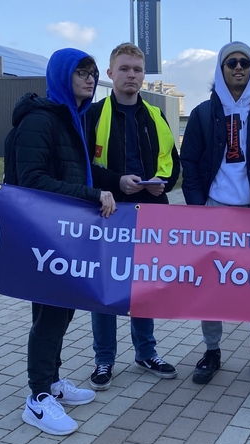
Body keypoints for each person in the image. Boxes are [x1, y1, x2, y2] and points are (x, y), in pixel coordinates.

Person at [12, 48, 116, 435]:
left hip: (67, 233)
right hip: (46, 234)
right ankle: (37, 398)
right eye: (81, 73)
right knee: (49, 314)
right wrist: (90, 196)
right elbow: (32, 179)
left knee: (64, 309)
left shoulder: (73, 118)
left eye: (92, 73)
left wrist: (114, 182)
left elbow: (81, 171)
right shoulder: (41, 121)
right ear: (61, 76)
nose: (90, 79)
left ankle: (52, 382)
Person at [180, 41, 250, 385]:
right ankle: (212, 351)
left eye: (244, 62)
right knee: (211, 285)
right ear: (221, 68)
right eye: (231, 63)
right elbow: (191, 163)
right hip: (214, 211)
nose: (238, 67)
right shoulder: (202, 113)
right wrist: (198, 208)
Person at [86, 43, 180, 390]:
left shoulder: (156, 116)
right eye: (124, 69)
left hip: (150, 213)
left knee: (144, 286)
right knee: (106, 290)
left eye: (137, 70)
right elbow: (83, 168)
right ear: (110, 74)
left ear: (144, 75)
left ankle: (145, 352)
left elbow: (173, 162)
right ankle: (104, 359)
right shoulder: (93, 115)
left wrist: (164, 184)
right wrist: (116, 181)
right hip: (109, 213)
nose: (131, 75)